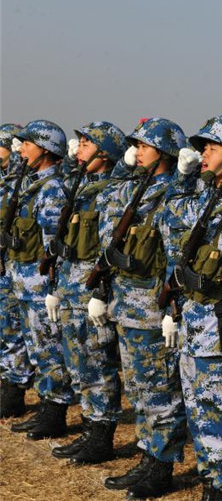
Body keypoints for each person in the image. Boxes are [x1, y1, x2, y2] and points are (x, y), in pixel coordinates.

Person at [89, 117, 188, 498]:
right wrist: (122, 168)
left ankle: (161, 466)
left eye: (145, 146)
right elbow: (105, 203)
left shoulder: (174, 193)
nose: (138, 151)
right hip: (126, 307)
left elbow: (176, 255)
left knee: (160, 390)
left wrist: (172, 312)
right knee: (139, 388)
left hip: (151, 311)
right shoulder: (134, 187)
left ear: (164, 152)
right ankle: (148, 454)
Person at [161, 115, 222, 500]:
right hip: (194, 326)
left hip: (221, 333)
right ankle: (212, 485)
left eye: (211, 149)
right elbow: (170, 217)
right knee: (201, 416)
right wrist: (183, 178)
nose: (202, 154)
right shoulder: (207, 198)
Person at [47, 122, 126, 464]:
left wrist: (101, 293)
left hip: (90, 293)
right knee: (79, 363)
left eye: (86, 144)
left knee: (97, 365)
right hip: (71, 288)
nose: (78, 148)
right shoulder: (83, 186)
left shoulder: (114, 192)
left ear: (105, 153)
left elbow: (109, 247)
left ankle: (101, 435)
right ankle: (90, 426)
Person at [6, 120, 73, 439]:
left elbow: (53, 246)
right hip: (24, 283)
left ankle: (55, 412)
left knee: (49, 351)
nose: (21, 149)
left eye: (28, 144)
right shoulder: (30, 184)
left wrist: (53, 289)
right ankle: (47, 406)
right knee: (37, 349)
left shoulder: (52, 190)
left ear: (45, 150)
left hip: (40, 287)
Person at [0, 123, 34, 419]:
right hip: (7, 266)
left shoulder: (24, 181)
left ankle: (15, 388)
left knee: (13, 330)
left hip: (18, 269)